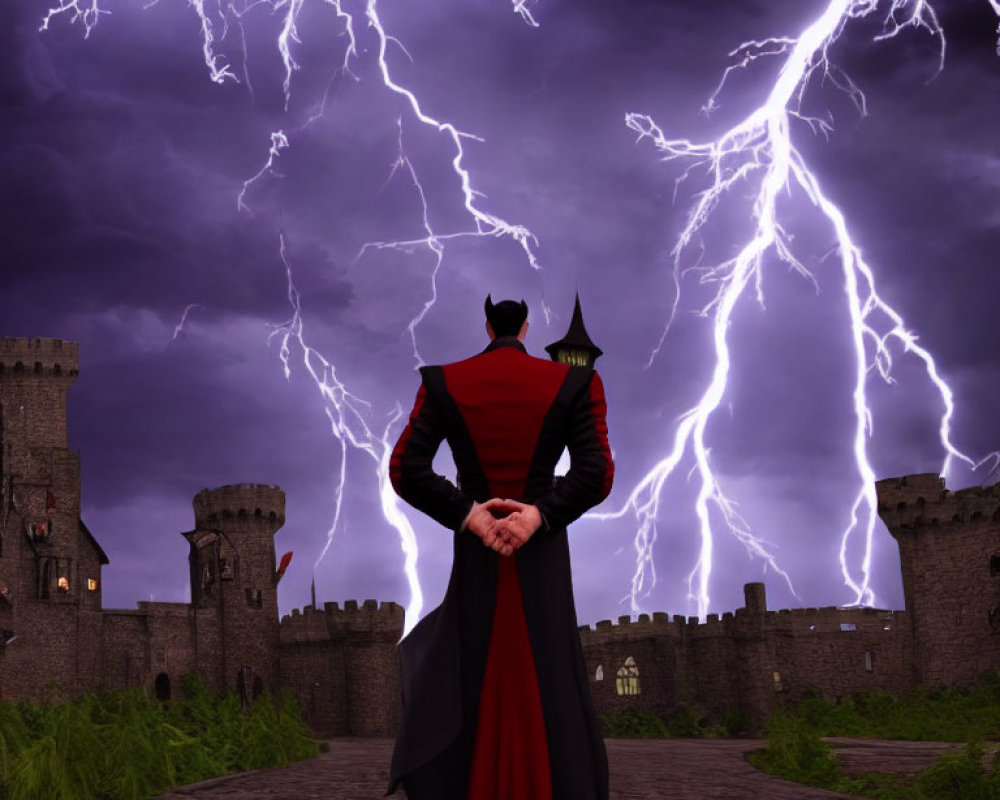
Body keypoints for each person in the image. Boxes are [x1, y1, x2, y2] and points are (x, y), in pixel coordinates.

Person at [386, 296, 614, 800]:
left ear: (488, 326)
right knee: (548, 670)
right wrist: (538, 515)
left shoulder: (444, 382)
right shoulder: (576, 382)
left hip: (479, 550)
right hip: (541, 549)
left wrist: (472, 516)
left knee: (474, 668)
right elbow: (597, 471)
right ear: (527, 328)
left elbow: (406, 469)